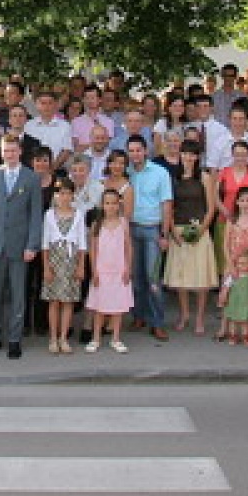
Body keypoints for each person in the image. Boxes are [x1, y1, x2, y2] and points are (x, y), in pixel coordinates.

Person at [0, 135, 43, 359]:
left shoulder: (31, 178)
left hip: (19, 244)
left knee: (17, 295)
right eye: (6, 151)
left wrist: (32, 245)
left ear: (20, 151)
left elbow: (35, 215)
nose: (9, 155)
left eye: (13, 151)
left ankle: (15, 340)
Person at [123, 135, 174, 341]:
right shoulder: (126, 173)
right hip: (131, 229)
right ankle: (139, 316)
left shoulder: (160, 173)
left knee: (153, 280)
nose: (135, 154)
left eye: (138, 150)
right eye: (131, 150)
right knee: (136, 278)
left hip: (153, 229)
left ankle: (158, 323)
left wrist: (164, 233)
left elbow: (167, 204)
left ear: (146, 151)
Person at [164, 140, 217, 336]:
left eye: (192, 154)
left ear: (197, 157)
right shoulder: (173, 177)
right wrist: (172, 229)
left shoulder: (204, 177)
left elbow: (211, 207)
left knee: (201, 278)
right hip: (178, 229)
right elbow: (169, 205)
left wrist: (202, 229)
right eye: (185, 153)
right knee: (181, 278)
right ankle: (185, 314)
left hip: (199, 229)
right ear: (181, 155)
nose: (188, 157)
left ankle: (200, 318)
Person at [40, 177, 87, 354]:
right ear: (56, 195)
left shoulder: (78, 215)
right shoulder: (49, 214)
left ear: (73, 195)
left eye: (68, 193)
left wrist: (81, 265)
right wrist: (46, 266)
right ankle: (53, 337)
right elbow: (45, 243)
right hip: (54, 258)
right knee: (54, 301)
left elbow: (82, 243)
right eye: (61, 193)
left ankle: (63, 338)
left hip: (71, 259)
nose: (64, 197)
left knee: (68, 301)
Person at [84, 188, 133, 354]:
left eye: (113, 203)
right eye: (107, 203)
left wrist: (128, 268)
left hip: (119, 270)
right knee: (99, 306)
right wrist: (94, 271)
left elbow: (128, 247)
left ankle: (116, 338)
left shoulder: (123, 222)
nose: (110, 207)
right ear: (102, 205)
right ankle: (96, 337)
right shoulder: (97, 224)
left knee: (118, 306)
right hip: (102, 270)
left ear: (118, 204)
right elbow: (93, 249)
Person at [216, 249, 248, 346]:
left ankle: (245, 337)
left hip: (245, 303)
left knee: (245, 320)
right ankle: (233, 336)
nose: (240, 266)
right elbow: (226, 287)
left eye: (243, 263)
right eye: (238, 263)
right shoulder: (234, 276)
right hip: (233, 302)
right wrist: (224, 297)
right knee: (233, 320)